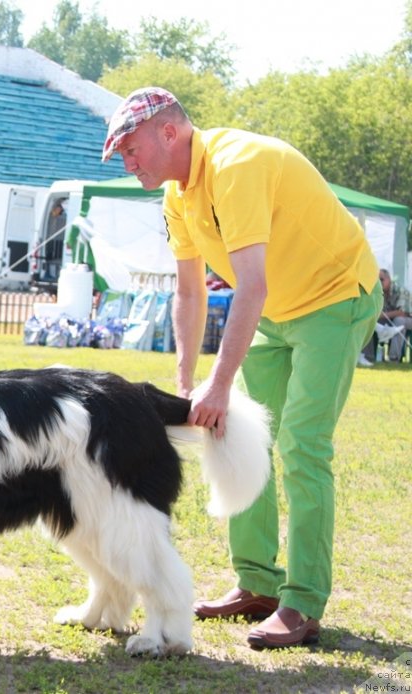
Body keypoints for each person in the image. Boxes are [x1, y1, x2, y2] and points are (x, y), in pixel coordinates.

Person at [102, 87, 381, 649]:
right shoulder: (177, 194)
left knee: (302, 444)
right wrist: (188, 383)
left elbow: (250, 285)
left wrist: (221, 383)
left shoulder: (236, 166)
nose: (127, 163)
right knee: (240, 433)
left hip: (335, 297)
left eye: (131, 149)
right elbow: (189, 292)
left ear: (169, 132)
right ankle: (257, 583)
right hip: (276, 311)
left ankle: (303, 603)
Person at [360, 268, 412, 364]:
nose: (379, 282)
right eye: (377, 281)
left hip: (407, 320)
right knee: (370, 321)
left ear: (389, 279)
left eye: (381, 279)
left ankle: (393, 359)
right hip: (388, 320)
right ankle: (368, 357)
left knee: (399, 320)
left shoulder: (401, 290)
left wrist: (380, 315)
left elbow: (402, 312)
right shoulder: (377, 293)